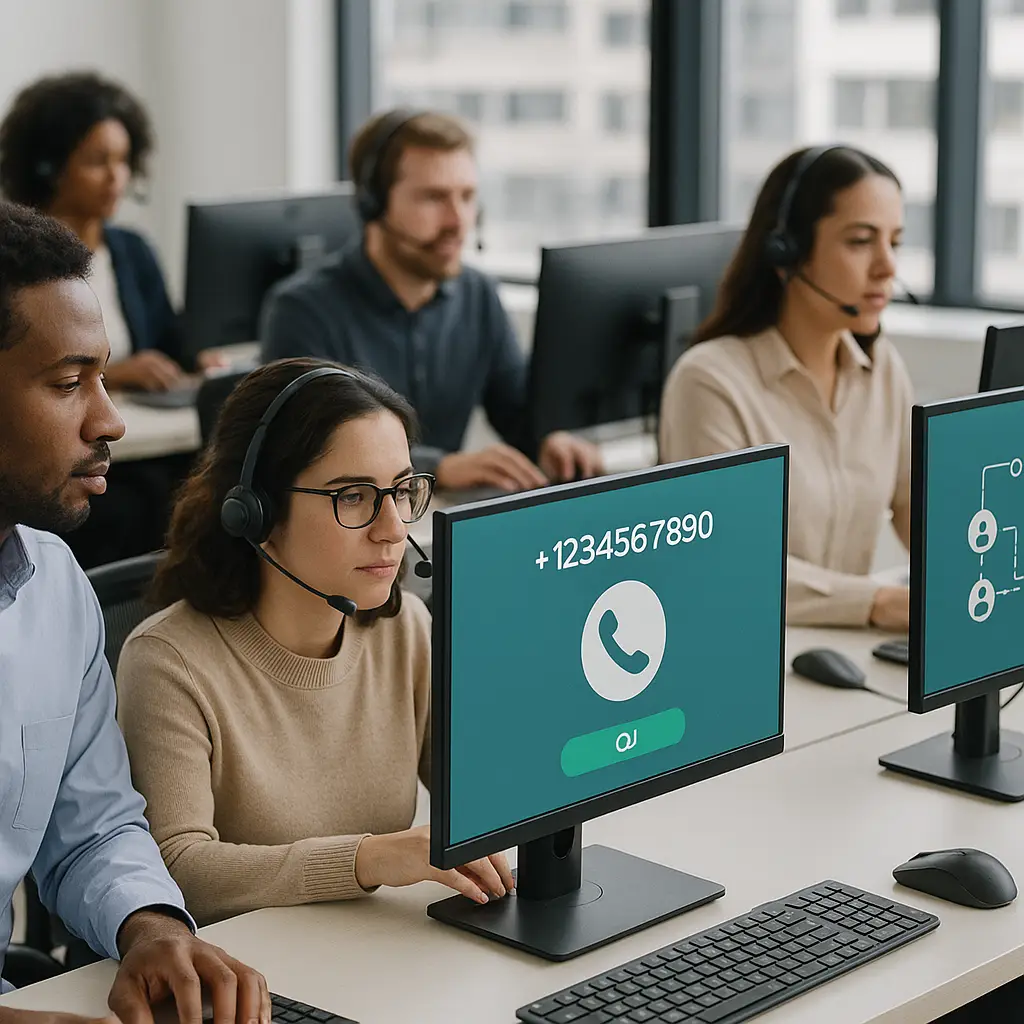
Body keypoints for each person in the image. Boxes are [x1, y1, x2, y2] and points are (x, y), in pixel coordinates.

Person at [115, 358, 514, 927]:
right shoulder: (170, 661)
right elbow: (178, 871)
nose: (394, 528)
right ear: (257, 511)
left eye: (402, 490)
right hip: (251, 976)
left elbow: (486, 796)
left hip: (371, 958)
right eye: (352, 496)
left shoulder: (404, 631)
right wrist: (367, 858)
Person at [0, 201, 269, 1021]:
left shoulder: (51, 585)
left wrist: (152, 928)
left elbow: (93, 828)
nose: (110, 417)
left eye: (105, 378)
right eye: (68, 382)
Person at [260, 108, 601, 493]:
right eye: (434, 198)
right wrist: (437, 467)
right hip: (350, 530)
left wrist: (548, 441)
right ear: (374, 203)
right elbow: (315, 450)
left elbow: (517, 412)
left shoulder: (479, 296)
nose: (458, 221)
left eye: (467, 196)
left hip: (435, 525)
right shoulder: (302, 310)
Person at [659, 145, 912, 631]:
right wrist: (879, 601)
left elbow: (913, 510)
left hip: (846, 650)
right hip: (744, 648)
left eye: (894, 243)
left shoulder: (882, 370)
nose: (886, 268)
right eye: (861, 241)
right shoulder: (711, 382)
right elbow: (724, 563)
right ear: (786, 252)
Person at [0, 70, 222, 390]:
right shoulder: (14, 260)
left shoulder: (132, 250)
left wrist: (198, 359)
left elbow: (169, 342)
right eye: (97, 161)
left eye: (122, 160)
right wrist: (111, 374)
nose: (116, 177)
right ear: (49, 168)